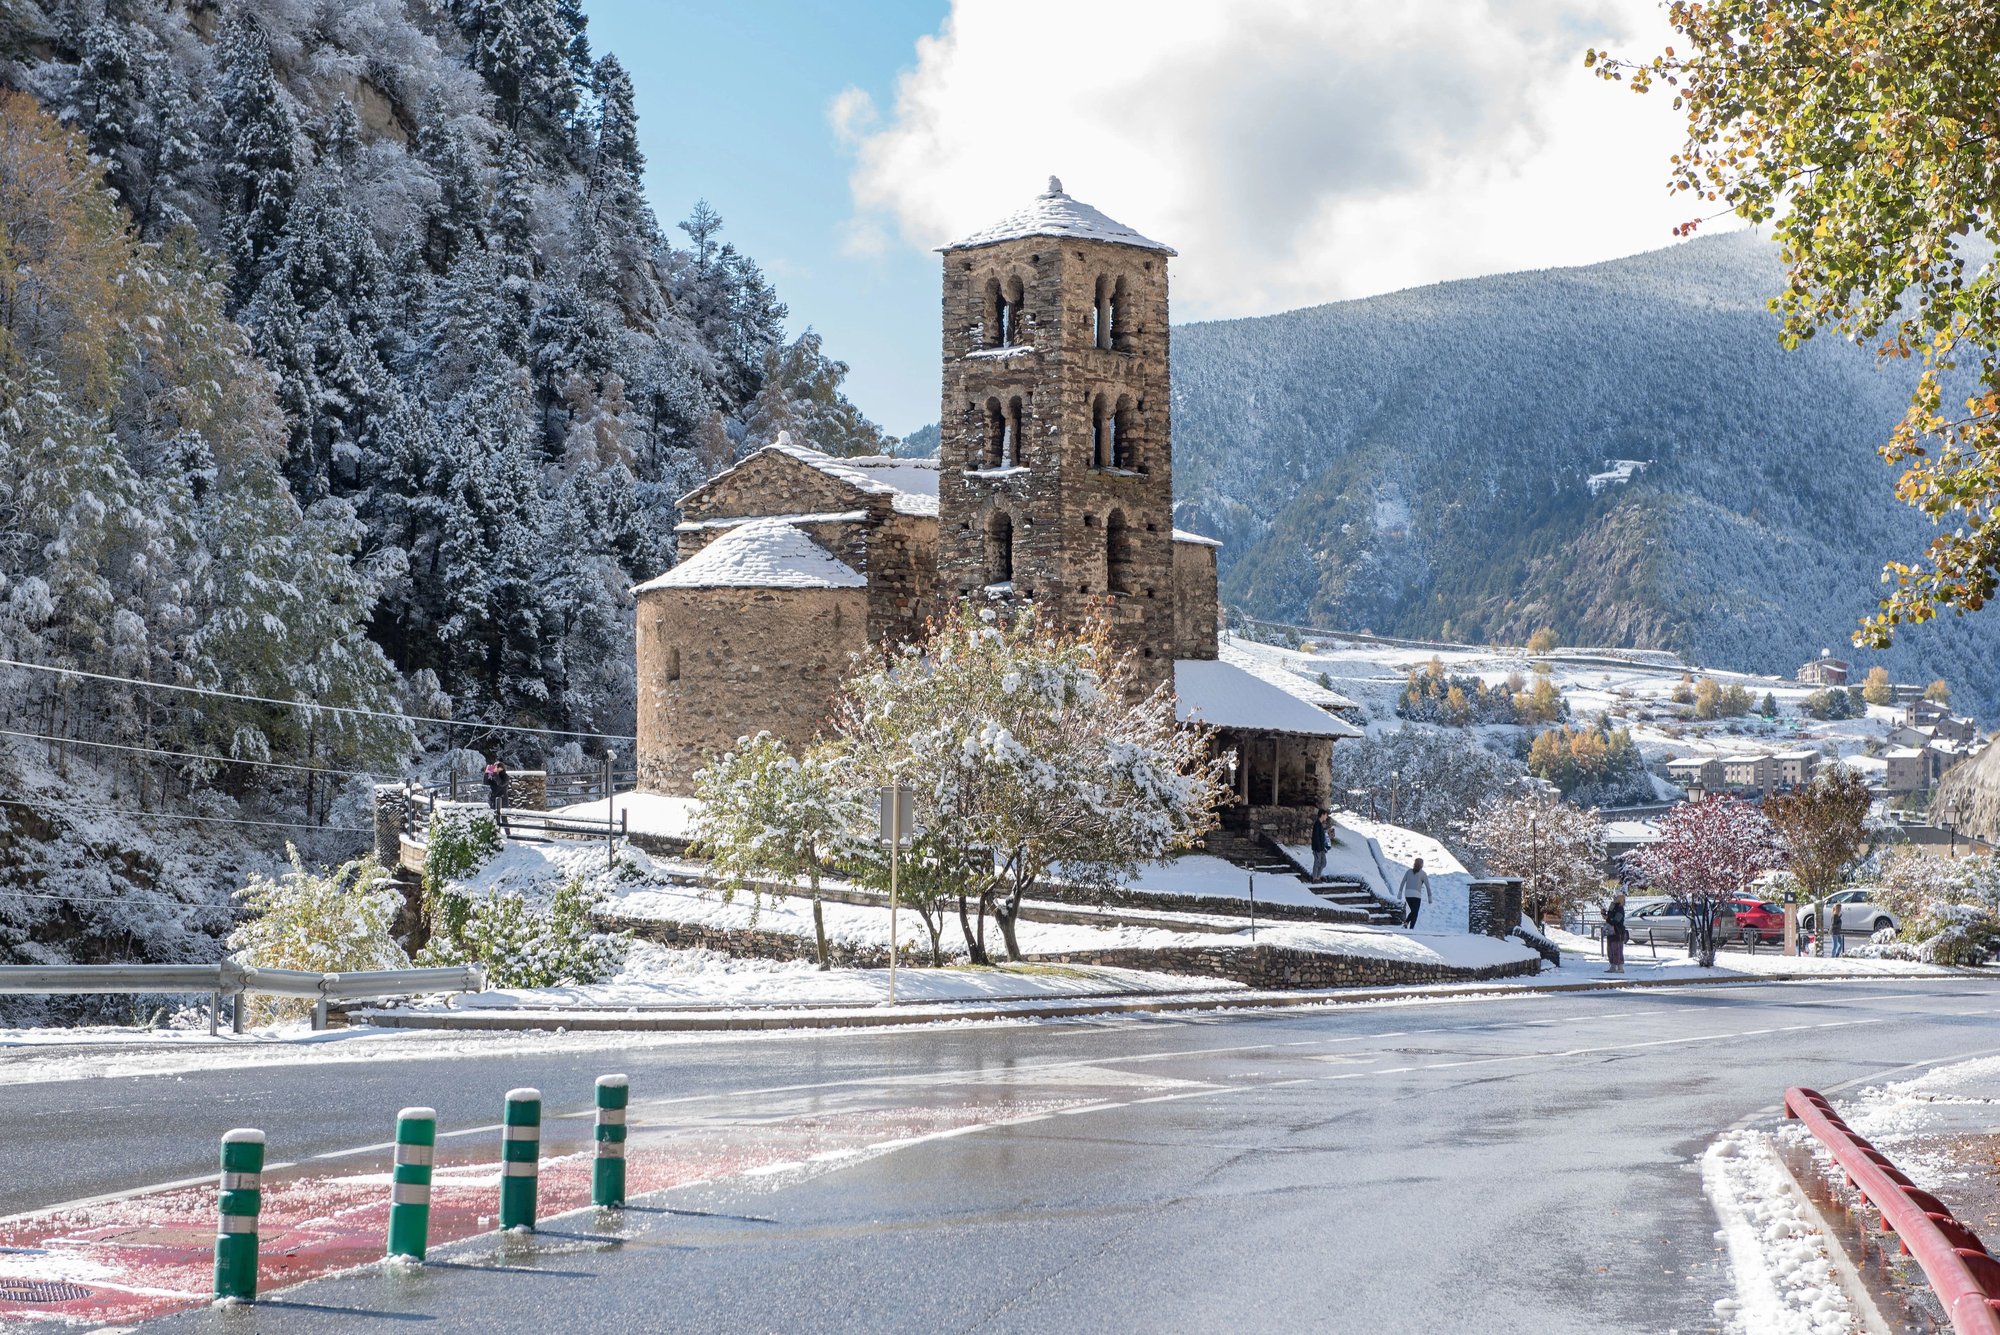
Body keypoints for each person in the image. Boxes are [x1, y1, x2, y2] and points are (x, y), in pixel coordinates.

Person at [1400, 858, 1431, 929]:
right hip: (1416, 895)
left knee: (1413, 911)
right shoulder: (1423, 873)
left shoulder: (1408, 871)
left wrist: (1400, 892)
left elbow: (1402, 882)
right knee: (1415, 912)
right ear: (1422, 864)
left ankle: (1406, 923)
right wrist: (1430, 897)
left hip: (1407, 894)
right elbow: (1427, 886)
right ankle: (1411, 927)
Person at [1604, 890, 1628, 974]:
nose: (1614, 897)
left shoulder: (1620, 908)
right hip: (1611, 931)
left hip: (1617, 931)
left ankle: (1620, 967)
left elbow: (1616, 920)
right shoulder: (1613, 906)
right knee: (1610, 949)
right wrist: (1606, 916)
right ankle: (1613, 965)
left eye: (1616, 896)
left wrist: (1608, 919)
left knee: (1617, 949)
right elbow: (1609, 916)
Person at [484, 759, 511, 834]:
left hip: (502, 800)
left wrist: (495, 774)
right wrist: (487, 773)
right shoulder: (494, 776)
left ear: (502, 768)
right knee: (493, 817)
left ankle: (508, 834)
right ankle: (495, 833)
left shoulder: (505, 776)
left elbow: (501, 784)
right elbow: (486, 782)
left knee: (504, 818)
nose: (495, 768)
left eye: (497, 767)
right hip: (493, 799)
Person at [1309, 810, 1332, 881]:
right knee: (1317, 862)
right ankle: (1315, 878)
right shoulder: (1317, 824)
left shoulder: (1320, 824)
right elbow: (1316, 837)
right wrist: (1318, 848)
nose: (1326, 816)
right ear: (1322, 815)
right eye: (1326, 815)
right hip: (1317, 848)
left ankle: (1317, 877)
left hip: (1322, 848)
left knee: (1323, 863)